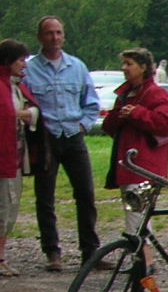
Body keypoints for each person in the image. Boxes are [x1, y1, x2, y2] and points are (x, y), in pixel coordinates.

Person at [23, 16, 100, 270]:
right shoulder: (29, 69)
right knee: (45, 196)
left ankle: (90, 252)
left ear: (64, 36)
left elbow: (91, 103)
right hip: (46, 138)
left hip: (72, 135)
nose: (54, 38)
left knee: (86, 194)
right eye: (49, 33)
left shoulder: (77, 67)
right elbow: (22, 102)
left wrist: (82, 125)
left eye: (58, 33)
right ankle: (52, 252)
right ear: (39, 37)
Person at [101, 47, 168, 189]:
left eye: (129, 64)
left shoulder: (157, 94)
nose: (124, 68)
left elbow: (167, 125)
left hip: (146, 168)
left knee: (137, 211)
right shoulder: (124, 94)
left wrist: (137, 113)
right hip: (127, 165)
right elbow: (108, 127)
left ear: (143, 67)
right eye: (123, 63)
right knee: (132, 210)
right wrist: (119, 115)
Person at [1, 38, 41, 276]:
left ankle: (2, 255)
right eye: (20, 60)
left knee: (9, 206)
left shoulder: (13, 85)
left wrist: (26, 113)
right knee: (3, 206)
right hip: (4, 156)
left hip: (14, 155)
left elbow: (29, 109)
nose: (24, 65)